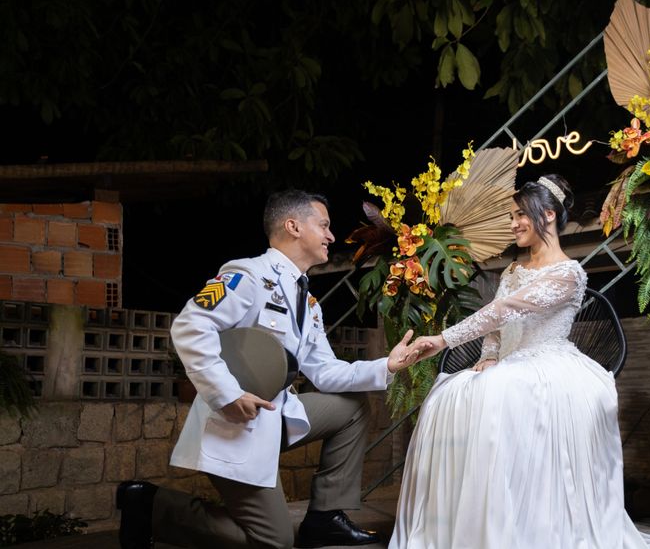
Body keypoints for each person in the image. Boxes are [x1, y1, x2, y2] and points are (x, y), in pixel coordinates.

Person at [391, 175, 650, 549]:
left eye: (521, 214)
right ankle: (465, 530)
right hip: (508, 363)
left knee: (497, 392)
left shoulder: (569, 274)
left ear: (549, 215)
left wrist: (444, 339)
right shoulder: (511, 271)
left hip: (550, 364)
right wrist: (488, 356)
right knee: (449, 392)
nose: (514, 224)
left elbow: (505, 309)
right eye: (511, 216)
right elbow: (495, 323)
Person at [116, 189, 429, 549]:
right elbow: (190, 327)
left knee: (352, 408)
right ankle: (150, 505)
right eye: (324, 225)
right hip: (236, 419)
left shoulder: (307, 301)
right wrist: (227, 394)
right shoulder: (248, 275)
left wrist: (387, 365)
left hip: (275, 415)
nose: (331, 236)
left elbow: (325, 371)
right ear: (293, 226)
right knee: (274, 542)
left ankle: (325, 518)